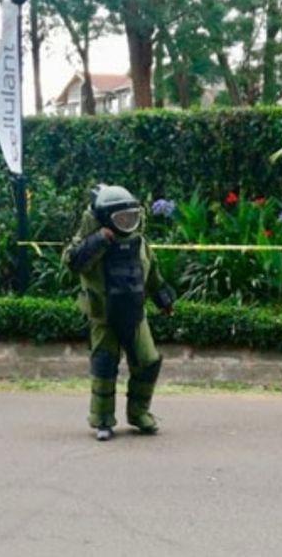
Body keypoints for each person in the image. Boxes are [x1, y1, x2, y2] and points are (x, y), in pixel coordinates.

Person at [63, 185, 176, 442]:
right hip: (103, 317)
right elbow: (72, 262)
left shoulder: (139, 243)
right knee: (104, 367)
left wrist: (163, 299)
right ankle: (102, 420)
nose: (127, 222)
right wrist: (98, 240)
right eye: (120, 218)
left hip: (135, 315)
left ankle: (139, 414)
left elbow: (153, 275)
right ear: (104, 218)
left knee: (148, 362)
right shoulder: (94, 242)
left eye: (131, 216)